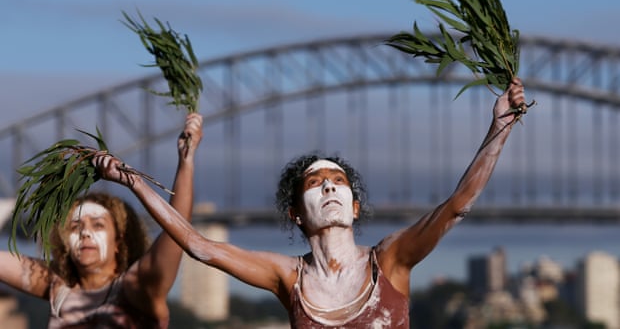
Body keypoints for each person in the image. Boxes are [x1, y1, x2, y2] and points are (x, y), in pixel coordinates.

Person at [94, 79, 526, 328]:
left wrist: (499, 129)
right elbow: (198, 245)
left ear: (355, 208)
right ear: (296, 213)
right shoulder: (288, 277)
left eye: (339, 182)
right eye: (316, 183)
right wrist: (131, 180)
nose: (330, 188)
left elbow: (457, 205)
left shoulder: (389, 261)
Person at [0, 112, 203, 328]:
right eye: (75, 226)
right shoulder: (57, 285)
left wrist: (186, 160)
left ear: (119, 241)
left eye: (98, 225)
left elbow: (177, 232)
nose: (85, 233)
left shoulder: (136, 287)